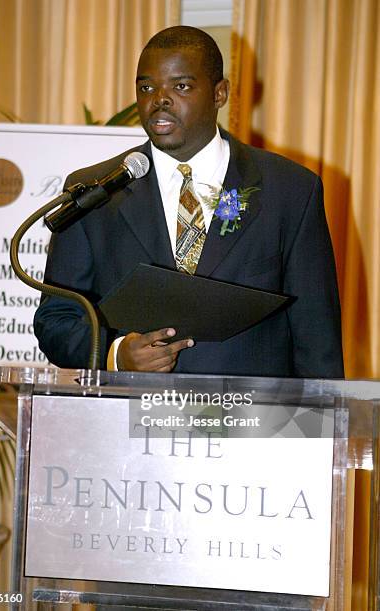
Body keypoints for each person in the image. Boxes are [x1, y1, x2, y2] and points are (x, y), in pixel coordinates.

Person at [34, 26, 344, 378]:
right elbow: (56, 322)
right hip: (129, 423)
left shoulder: (289, 190)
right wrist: (117, 354)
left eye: (181, 86)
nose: (159, 100)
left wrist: (319, 429)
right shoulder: (96, 192)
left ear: (219, 93)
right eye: (146, 87)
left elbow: (318, 341)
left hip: (251, 424)